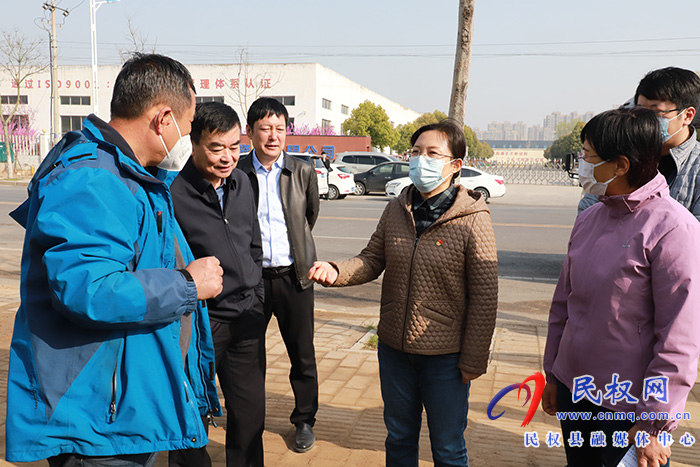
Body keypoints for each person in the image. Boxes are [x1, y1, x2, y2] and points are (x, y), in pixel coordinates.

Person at [4, 53, 223, 466]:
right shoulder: (93, 178)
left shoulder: (132, 174)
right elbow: (89, 289)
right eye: (188, 128)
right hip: (94, 419)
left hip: (120, 406)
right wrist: (188, 285)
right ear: (163, 119)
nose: (186, 141)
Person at [308, 119, 499, 467]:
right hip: (395, 350)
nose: (420, 160)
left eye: (431, 153)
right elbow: (371, 260)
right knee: (398, 438)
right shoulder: (397, 208)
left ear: (455, 165)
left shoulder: (473, 218)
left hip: (446, 358)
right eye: (415, 152)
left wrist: (473, 359)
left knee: (447, 447)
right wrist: (336, 271)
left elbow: (485, 296)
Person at [542, 107, 700, 467]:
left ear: (621, 165)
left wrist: (653, 423)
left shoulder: (673, 229)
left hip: (627, 407)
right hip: (575, 391)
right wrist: (554, 374)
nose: (580, 163)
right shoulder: (590, 217)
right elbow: (563, 306)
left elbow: (679, 340)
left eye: (588, 156)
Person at [170, 102, 265, 467]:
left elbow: (252, 242)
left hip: (247, 316)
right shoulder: (174, 194)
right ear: (194, 144)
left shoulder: (242, 182)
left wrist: (256, 292)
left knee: (249, 412)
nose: (228, 157)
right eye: (216, 148)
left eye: (234, 146)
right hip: (201, 323)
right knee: (191, 409)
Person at [237, 97, 320, 453]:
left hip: (294, 278)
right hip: (250, 281)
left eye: (279, 128)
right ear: (251, 133)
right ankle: (247, 420)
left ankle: (304, 421)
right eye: (265, 128)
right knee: (246, 354)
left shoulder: (302, 172)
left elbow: (308, 218)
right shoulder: (237, 171)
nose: (273, 136)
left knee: (302, 353)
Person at [579, 67, 700, 218]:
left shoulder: (696, 169)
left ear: (687, 115)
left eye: (655, 113)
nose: (645, 120)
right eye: (640, 111)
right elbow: (588, 212)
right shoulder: (622, 155)